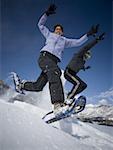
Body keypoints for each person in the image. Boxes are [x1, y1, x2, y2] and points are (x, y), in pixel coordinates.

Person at [12, 4, 99, 116]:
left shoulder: (65, 41)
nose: (58, 30)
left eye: (60, 29)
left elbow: (78, 42)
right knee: (55, 72)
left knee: (39, 86)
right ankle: (58, 105)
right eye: (56, 29)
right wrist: (46, 14)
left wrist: (88, 34)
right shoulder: (49, 35)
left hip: (53, 62)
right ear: (54, 30)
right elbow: (40, 25)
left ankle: (22, 85)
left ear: (62, 32)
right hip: (45, 57)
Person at [64, 33, 105, 101]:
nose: (86, 58)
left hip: (72, 74)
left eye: (88, 57)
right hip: (68, 72)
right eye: (86, 56)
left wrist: (85, 68)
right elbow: (87, 47)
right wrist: (97, 40)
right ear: (84, 53)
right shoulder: (79, 55)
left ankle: (71, 95)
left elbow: (81, 67)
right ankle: (69, 98)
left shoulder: (83, 62)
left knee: (83, 86)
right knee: (78, 83)